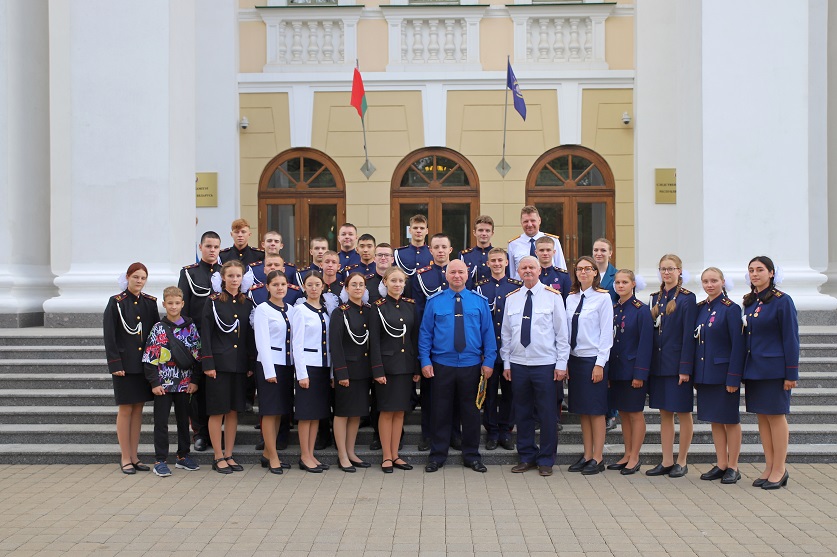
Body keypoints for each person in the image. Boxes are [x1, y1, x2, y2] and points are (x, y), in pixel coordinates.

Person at [419, 260, 496, 473]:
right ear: (446, 275)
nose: (457, 276)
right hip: (442, 365)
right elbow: (425, 333)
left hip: (472, 365)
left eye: (461, 272)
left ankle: (472, 456)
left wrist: (489, 361)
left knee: (471, 413)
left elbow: (488, 334)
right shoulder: (434, 301)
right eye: (452, 272)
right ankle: (437, 456)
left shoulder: (479, 301)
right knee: (440, 412)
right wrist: (425, 360)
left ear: (467, 274)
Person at [501, 256, 569, 476]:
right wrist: (507, 363)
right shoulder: (512, 298)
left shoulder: (553, 297)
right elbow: (506, 334)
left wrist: (561, 364)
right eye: (524, 267)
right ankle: (526, 456)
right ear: (518, 272)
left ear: (539, 270)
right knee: (522, 413)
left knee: (547, 414)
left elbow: (562, 333)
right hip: (519, 364)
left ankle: (546, 459)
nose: (528, 270)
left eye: (532, 267)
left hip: (545, 364)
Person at [743, 256, 798, 490]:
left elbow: (790, 338)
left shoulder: (782, 301)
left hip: (774, 370)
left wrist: (791, 373)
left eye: (760, 270)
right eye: (751, 270)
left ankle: (780, 468)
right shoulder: (750, 302)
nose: (755, 274)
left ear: (771, 273)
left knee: (776, 417)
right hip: (754, 368)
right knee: (762, 418)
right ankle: (769, 465)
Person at [201, 260, 256, 474]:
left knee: (233, 412)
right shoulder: (213, 302)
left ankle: (229, 454)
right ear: (223, 278)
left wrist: (250, 363)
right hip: (218, 365)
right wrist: (208, 362)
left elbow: (249, 337)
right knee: (218, 411)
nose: (234, 280)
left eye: (238, 276)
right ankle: (218, 456)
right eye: (230, 276)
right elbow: (206, 334)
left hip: (239, 365)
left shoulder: (247, 303)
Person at [104, 262, 157, 475]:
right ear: (127, 277)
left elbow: (154, 334)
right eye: (135, 277)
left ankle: (135, 456)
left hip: (143, 365)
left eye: (143, 278)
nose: (139, 281)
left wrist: (154, 363)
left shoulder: (150, 303)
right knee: (126, 409)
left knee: (138, 410)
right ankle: (125, 457)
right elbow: (110, 335)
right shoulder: (116, 302)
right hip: (124, 365)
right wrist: (115, 363)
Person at [646, 254, 697, 478]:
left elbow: (688, 336)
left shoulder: (687, 298)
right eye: (663, 269)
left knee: (683, 413)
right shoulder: (654, 298)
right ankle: (667, 460)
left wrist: (685, 368)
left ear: (679, 271)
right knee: (664, 413)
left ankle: (682, 460)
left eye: (671, 269)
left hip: (677, 366)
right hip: (659, 365)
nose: (666, 273)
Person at [142, 286, 201, 477]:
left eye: (177, 303)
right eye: (170, 303)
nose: (173, 306)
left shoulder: (190, 328)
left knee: (184, 421)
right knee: (161, 423)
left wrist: (195, 381)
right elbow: (150, 357)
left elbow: (198, 356)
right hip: (163, 385)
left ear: (182, 304)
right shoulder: (158, 328)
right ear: (164, 304)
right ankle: (160, 460)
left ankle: (183, 456)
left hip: (184, 384)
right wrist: (154, 383)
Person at [694, 267, 745, 484]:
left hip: (724, 374)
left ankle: (733, 466)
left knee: (729, 420)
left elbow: (738, 345)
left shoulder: (731, 309)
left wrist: (733, 377)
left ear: (723, 282)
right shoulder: (701, 308)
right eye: (706, 281)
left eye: (714, 280)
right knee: (715, 419)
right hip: (706, 373)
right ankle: (721, 463)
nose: (709, 285)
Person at [564, 256, 614, 475]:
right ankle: (586, 455)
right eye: (579, 269)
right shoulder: (571, 298)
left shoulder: (603, 298)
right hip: (575, 359)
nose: (583, 272)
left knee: (596, 410)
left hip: (593, 359)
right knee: (583, 411)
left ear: (595, 272)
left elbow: (606, 334)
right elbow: (565, 332)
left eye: (588, 269)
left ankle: (598, 457)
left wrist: (600, 364)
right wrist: (565, 360)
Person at [412, 233, 461, 451]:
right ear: (430, 250)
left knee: (455, 393)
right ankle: (428, 435)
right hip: (431, 343)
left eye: (444, 247)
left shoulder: (458, 273)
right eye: (436, 247)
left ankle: (454, 433)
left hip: (455, 342)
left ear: (450, 250)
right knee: (430, 393)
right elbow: (418, 311)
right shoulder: (421, 276)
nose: (440, 251)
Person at [369, 267, 420, 472]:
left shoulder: (410, 306)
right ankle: (386, 456)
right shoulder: (377, 307)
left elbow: (414, 338)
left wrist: (416, 367)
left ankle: (396, 455)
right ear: (385, 282)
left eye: (401, 281)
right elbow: (374, 342)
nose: (397, 284)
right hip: (387, 368)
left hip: (405, 366)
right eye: (393, 281)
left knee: (400, 412)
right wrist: (377, 370)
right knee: (386, 411)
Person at [474, 247, 521, 451]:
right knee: (490, 394)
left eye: (500, 260)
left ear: (506, 262)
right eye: (493, 260)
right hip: (489, 351)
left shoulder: (516, 287)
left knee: (510, 393)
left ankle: (506, 431)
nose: (497, 264)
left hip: (511, 350)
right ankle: (492, 432)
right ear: (488, 263)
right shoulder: (480, 288)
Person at [178, 231, 222, 452]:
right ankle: (199, 433)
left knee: (216, 388)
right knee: (197, 388)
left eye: (216, 247)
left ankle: (216, 431)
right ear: (200, 247)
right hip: (196, 338)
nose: (212, 250)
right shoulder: (189, 273)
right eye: (208, 246)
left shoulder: (226, 272)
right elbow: (183, 308)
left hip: (220, 339)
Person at [607, 269, 652, 475]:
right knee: (623, 413)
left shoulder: (641, 310)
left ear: (633, 284)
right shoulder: (614, 308)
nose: (620, 286)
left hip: (633, 370)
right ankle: (627, 454)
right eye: (617, 282)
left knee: (634, 413)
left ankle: (635, 456)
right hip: (617, 369)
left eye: (625, 282)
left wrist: (640, 374)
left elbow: (645, 344)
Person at [329, 272, 374, 472]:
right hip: (347, 371)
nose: (357, 288)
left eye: (361, 284)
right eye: (353, 284)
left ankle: (351, 451)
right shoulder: (340, 313)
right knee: (342, 413)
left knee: (356, 414)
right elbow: (336, 345)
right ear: (346, 289)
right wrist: (341, 373)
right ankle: (342, 454)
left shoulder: (369, 311)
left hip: (363, 370)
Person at [252, 270, 295, 474]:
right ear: (267, 287)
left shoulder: (291, 309)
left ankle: (268, 454)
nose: (280, 288)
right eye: (275, 284)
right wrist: (269, 371)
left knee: (279, 411)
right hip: (269, 366)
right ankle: (274, 457)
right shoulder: (262, 309)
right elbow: (262, 342)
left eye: (283, 284)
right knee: (270, 411)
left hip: (286, 365)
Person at [291, 271, 334, 473]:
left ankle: (311, 454)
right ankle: (304, 455)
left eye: (317, 284)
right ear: (304, 287)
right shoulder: (300, 310)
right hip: (308, 368)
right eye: (310, 285)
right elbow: (297, 344)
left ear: (323, 287)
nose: (314, 288)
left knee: (316, 414)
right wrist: (301, 373)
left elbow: (329, 344)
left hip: (323, 367)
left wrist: (331, 372)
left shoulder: (325, 311)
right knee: (306, 414)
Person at [592, 238, 620, 430]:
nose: (599, 253)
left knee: (609, 373)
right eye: (596, 250)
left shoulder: (616, 275)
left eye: (603, 250)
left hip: (612, 329)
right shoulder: (589, 272)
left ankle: (611, 414)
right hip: (591, 331)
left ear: (610, 252)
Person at [508, 206, 567, 280]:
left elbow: (561, 268)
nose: (529, 224)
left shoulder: (553, 241)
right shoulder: (513, 244)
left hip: (548, 284)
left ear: (539, 220)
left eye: (533, 220)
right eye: (526, 221)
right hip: (522, 285)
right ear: (521, 223)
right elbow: (512, 273)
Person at [460, 215, 498, 284]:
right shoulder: (465, 256)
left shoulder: (500, 255)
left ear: (492, 233)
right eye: (480, 230)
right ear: (474, 232)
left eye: (487, 231)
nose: (484, 233)